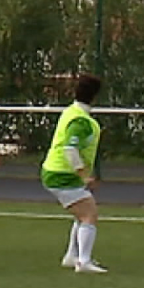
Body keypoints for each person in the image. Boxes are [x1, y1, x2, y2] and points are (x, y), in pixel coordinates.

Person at [41, 73, 108, 273]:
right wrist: (83, 174)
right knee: (89, 214)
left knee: (81, 213)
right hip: (62, 174)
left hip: (55, 171)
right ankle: (83, 261)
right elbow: (70, 148)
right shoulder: (81, 121)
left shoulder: (71, 112)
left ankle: (72, 256)